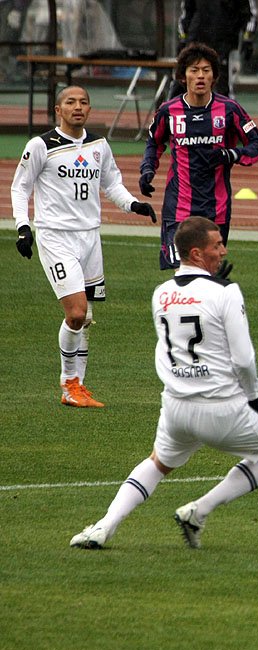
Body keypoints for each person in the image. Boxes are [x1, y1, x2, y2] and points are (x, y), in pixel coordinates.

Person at [69, 216, 258, 549]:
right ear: (197, 253)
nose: (223, 250)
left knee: (157, 463)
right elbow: (244, 359)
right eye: (217, 245)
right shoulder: (226, 291)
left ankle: (102, 527)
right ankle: (198, 511)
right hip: (222, 408)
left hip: (176, 407)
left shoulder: (161, 293)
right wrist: (253, 399)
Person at [11, 85, 156, 409]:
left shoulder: (98, 145)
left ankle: (79, 387)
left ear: (89, 109)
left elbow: (111, 183)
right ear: (58, 110)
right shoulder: (41, 145)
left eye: (84, 102)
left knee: (86, 317)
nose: (78, 106)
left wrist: (133, 205)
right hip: (56, 237)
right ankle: (68, 384)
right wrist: (23, 227)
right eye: (70, 102)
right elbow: (20, 188)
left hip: (90, 237)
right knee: (76, 313)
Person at [140, 42, 258, 270]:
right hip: (178, 206)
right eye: (194, 70)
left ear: (214, 76)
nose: (200, 76)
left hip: (216, 208)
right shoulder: (169, 111)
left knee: (208, 270)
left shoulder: (229, 109)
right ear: (183, 76)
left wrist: (232, 154)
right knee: (182, 268)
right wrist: (147, 169)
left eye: (206, 70)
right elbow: (154, 142)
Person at [174, 0, 258, 98]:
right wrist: (183, 39)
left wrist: (248, 37)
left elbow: (250, 14)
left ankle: (224, 108)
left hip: (224, 46)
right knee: (183, 85)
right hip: (195, 43)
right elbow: (186, 13)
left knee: (223, 89)